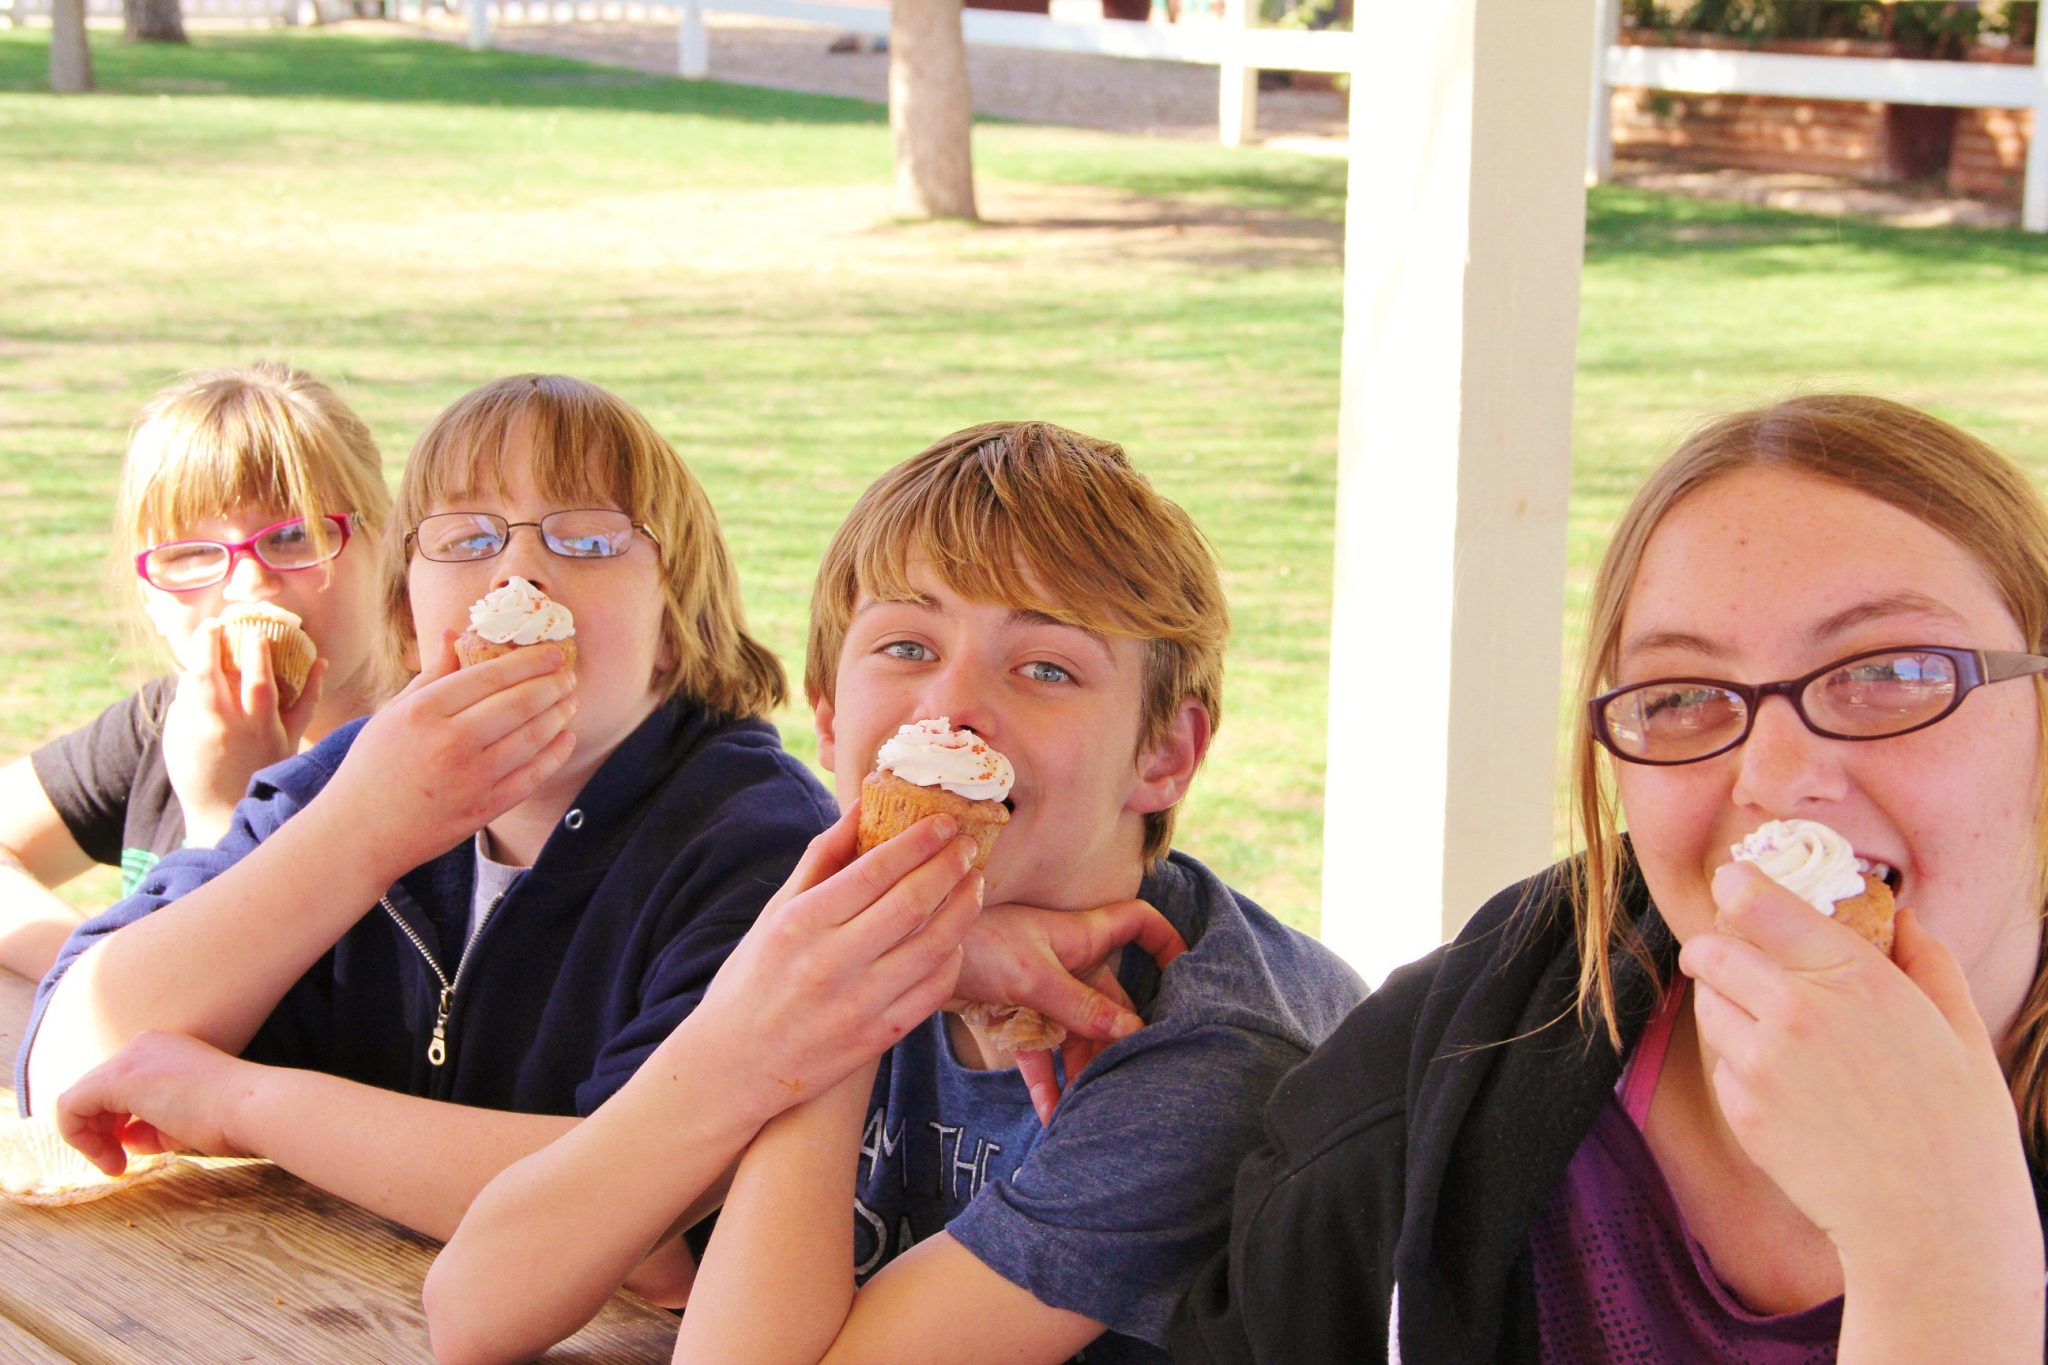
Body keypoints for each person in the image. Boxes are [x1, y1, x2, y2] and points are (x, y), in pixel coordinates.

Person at [424, 420, 1364, 1364]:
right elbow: (474, 1306)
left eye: (1047, 667)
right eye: (907, 646)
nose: (950, 707)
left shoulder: (1203, 1061)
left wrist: (854, 1000)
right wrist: (809, 1008)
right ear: (830, 719)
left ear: (1165, 754)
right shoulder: (825, 931)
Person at [1170, 393, 2048, 1363]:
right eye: (1681, 694)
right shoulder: (1429, 1093)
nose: (1771, 777)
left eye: (1889, 672)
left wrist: (1941, 1252)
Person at [17, 375, 840, 1275]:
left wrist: (244, 1103)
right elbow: (72, 1067)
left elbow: (641, 1216)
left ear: (676, 622)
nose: (519, 573)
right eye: (468, 538)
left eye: (588, 536)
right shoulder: (350, 784)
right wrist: (358, 836)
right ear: (410, 625)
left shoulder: (756, 842)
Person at [0, 362, 392, 979]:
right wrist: (84, 971)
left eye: (295, 535)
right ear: (151, 597)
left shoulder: (423, 764)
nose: (249, 585)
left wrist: (224, 816)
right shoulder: (165, 723)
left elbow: (235, 1009)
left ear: (387, 544)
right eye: (191, 553)